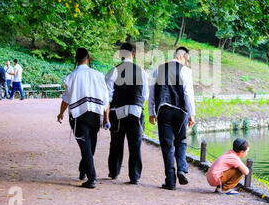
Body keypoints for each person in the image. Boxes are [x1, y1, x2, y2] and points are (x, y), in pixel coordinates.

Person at [57, 48, 109, 189]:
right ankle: (84, 169)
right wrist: (106, 117)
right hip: (95, 115)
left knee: (86, 147)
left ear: (76, 59)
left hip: (79, 116)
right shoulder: (98, 75)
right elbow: (105, 99)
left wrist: (61, 113)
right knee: (90, 146)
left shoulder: (71, 77)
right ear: (89, 58)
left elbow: (66, 99)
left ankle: (92, 178)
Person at [148, 47, 196, 190]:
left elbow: (152, 92)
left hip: (163, 110)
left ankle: (170, 181)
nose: (187, 63)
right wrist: (192, 114)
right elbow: (188, 93)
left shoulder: (159, 69)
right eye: (187, 60)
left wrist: (151, 112)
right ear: (182, 57)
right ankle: (181, 168)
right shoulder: (186, 71)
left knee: (167, 146)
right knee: (181, 141)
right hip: (180, 111)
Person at [105, 42, 149, 185]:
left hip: (117, 112)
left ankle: (114, 172)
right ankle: (134, 177)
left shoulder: (113, 71)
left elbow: (108, 96)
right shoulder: (142, 72)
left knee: (116, 143)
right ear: (133, 54)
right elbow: (145, 95)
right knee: (135, 144)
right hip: (136, 112)